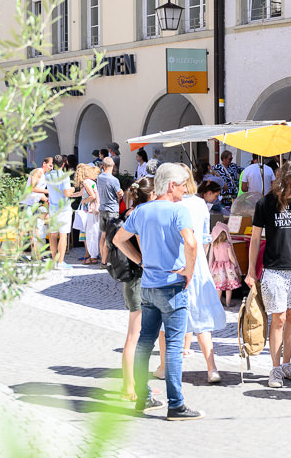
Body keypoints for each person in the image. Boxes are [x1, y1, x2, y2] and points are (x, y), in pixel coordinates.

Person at [114, 163, 203, 420]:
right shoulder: (179, 211)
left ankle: (143, 397)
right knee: (174, 347)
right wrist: (189, 270)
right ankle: (176, 404)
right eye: (183, 184)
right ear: (171, 185)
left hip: (149, 285)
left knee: (144, 342)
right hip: (172, 286)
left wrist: (140, 260)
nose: (186, 189)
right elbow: (191, 242)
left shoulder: (142, 210)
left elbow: (119, 239)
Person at [245, 161, 291, 389]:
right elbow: (255, 239)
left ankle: (287, 364)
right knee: (279, 318)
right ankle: (275, 368)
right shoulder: (265, 203)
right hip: (274, 269)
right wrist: (250, 271)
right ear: (287, 180)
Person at [180, 173, 227, 385]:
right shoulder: (200, 204)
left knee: (169, 316)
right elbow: (205, 238)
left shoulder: (173, 203)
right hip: (198, 263)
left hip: (177, 262)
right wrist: (204, 262)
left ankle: (165, 366)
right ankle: (212, 367)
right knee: (201, 317)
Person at [113, 177, 153, 402]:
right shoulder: (139, 216)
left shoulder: (131, 213)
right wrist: (141, 261)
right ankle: (129, 387)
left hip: (132, 280)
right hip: (137, 279)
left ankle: (132, 385)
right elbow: (128, 241)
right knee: (134, 336)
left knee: (135, 335)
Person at [44, 155, 74, 270]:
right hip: (63, 209)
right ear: (63, 164)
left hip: (53, 209)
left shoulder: (48, 175)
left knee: (52, 235)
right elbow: (67, 193)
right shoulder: (64, 176)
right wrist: (72, 190)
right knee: (63, 235)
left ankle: (54, 261)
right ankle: (60, 262)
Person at [21, 156, 52, 260]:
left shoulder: (45, 175)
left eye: (52, 166)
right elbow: (32, 188)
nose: (51, 168)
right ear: (44, 163)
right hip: (27, 203)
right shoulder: (38, 172)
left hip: (34, 204)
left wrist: (45, 198)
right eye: (50, 165)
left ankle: (36, 255)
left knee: (35, 229)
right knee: (28, 230)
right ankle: (22, 255)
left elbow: (39, 192)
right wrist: (47, 192)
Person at [96, 157, 124, 266]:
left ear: (103, 165)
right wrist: (121, 192)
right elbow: (119, 194)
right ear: (113, 165)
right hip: (112, 210)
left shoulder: (99, 177)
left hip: (102, 208)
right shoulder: (113, 180)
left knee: (103, 235)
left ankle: (103, 260)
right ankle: (106, 261)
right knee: (110, 236)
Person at [208, 222, 241, 306]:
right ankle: (228, 302)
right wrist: (235, 265)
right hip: (227, 267)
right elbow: (231, 257)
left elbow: (212, 257)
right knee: (229, 287)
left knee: (219, 287)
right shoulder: (227, 245)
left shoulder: (214, 245)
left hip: (217, 267)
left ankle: (219, 302)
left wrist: (210, 267)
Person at [74, 163, 102, 264]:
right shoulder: (92, 181)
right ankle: (95, 255)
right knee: (96, 232)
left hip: (91, 209)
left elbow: (92, 196)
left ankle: (93, 257)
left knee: (91, 233)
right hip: (97, 209)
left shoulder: (86, 181)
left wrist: (84, 201)